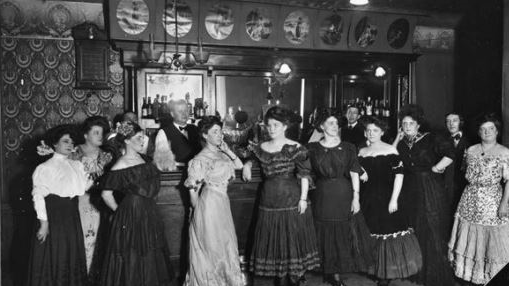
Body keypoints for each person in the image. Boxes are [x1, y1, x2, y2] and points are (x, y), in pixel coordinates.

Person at [243, 106, 320, 286]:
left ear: (285, 126)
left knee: (291, 243)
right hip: (269, 200)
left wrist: (303, 199)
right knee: (276, 245)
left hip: (291, 200)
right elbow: (250, 157)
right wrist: (247, 165)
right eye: (269, 125)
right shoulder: (260, 147)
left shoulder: (295, 147)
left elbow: (304, 175)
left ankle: (293, 281)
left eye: (276, 125)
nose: (271, 129)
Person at [100, 121, 173, 286]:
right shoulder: (121, 164)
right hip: (132, 212)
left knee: (150, 254)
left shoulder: (145, 159)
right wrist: (121, 213)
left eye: (143, 137)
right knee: (134, 254)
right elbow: (106, 194)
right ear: (126, 141)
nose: (142, 141)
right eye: (139, 138)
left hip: (149, 210)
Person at [307, 108, 374, 286]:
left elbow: (354, 173)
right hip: (322, 194)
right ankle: (327, 269)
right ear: (321, 126)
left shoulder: (348, 147)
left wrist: (356, 197)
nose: (335, 126)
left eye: (336, 123)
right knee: (323, 230)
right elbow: (303, 171)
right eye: (330, 123)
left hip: (344, 193)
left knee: (342, 230)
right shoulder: (312, 148)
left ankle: (336, 273)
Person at [392, 104, 455, 286]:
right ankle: (416, 271)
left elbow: (450, 154)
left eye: (411, 123)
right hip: (409, 188)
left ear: (419, 124)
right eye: (404, 123)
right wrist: (397, 138)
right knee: (414, 227)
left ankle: (433, 274)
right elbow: (391, 157)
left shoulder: (431, 139)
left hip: (430, 189)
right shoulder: (402, 142)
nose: (407, 126)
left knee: (431, 228)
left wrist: (436, 168)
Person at [358, 116, 422, 286]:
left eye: (375, 131)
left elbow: (399, 176)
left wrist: (394, 200)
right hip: (368, 198)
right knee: (373, 232)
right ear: (365, 132)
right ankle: (376, 269)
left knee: (387, 232)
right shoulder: (361, 151)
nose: (371, 133)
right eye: (369, 130)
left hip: (387, 196)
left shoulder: (390, 150)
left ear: (382, 132)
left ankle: (386, 276)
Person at [27, 124, 92, 286]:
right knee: (55, 255)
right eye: (65, 141)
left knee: (71, 254)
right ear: (54, 144)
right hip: (54, 215)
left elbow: (83, 187)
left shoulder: (76, 165)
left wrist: (94, 170)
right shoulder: (45, 167)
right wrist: (44, 223)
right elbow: (38, 196)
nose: (70, 145)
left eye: (71, 142)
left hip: (71, 214)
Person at [448, 114, 509, 285]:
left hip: (492, 200)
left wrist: (504, 203)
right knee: (470, 236)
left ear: (497, 131)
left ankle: (490, 277)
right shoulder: (471, 150)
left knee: (490, 239)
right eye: (483, 129)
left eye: (491, 129)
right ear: (478, 132)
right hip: (469, 198)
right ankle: (472, 276)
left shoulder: (505, 152)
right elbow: (463, 173)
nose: (486, 132)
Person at [184, 116, 244, 285]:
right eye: (215, 132)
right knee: (212, 249)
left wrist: (228, 150)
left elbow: (239, 165)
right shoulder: (200, 159)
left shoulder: (222, 153)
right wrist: (197, 215)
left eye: (221, 131)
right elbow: (193, 191)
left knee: (226, 247)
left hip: (223, 204)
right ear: (205, 135)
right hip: (209, 206)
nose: (220, 135)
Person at [70, 116, 113, 285]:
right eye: (96, 132)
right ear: (86, 135)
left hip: (100, 203)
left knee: (99, 242)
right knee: (81, 239)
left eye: (102, 132)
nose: (100, 136)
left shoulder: (107, 156)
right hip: (80, 202)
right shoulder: (74, 153)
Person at [154, 99, 202, 171]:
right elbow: (162, 163)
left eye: (186, 111)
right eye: (180, 111)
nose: (184, 114)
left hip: (197, 171)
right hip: (176, 173)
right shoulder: (163, 133)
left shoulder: (195, 129)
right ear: (172, 114)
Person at [444, 113, 470, 213]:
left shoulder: (470, 142)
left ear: (461, 123)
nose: (451, 124)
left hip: (462, 185)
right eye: (448, 121)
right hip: (447, 184)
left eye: (454, 120)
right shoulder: (441, 141)